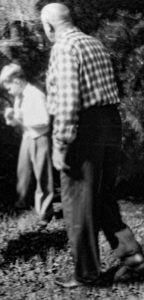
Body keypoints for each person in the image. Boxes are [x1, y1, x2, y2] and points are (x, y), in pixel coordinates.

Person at [37, 0, 144, 287]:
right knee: (103, 194)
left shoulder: (64, 47)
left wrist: (60, 144)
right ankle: (131, 255)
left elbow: (68, 101)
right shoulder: (94, 43)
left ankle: (87, 273)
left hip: (83, 128)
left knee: (76, 201)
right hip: (110, 122)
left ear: (49, 27)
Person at [0, 63, 54, 227]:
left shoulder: (36, 95)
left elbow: (45, 121)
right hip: (28, 137)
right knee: (23, 172)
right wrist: (11, 118)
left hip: (40, 138)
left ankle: (45, 212)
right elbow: (19, 121)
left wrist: (23, 119)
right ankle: (22, 203)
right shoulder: (19, 97)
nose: (8, 91)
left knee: (42, 175)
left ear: (16, 81)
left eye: (8, 87)